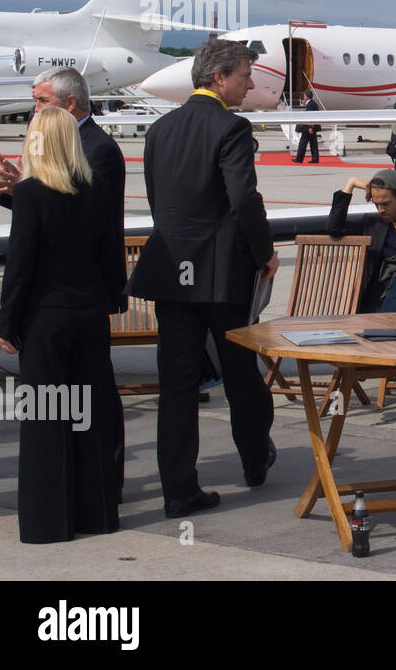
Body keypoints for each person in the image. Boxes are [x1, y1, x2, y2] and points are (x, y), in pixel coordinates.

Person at [127, 38, 280, 518]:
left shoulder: (161, 128)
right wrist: (265, 253)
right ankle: (254, 458)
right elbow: (243, 198)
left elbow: (159, 200)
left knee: (176, 384)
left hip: (172, 269)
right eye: (244, 75)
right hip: (219, 273)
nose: (250, 83)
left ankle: (178, 489)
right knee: (240, 374)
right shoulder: (231, 128)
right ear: (219, 78)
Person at [0, 67, 128, 499]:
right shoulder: (69, 148)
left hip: (68, 303)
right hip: (75, 302)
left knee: (82, 406)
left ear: (69, 105)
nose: (34, 111)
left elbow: (75, 227)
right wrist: (19, 191)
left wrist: (25, 193)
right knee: (76, 404)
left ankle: (89, 490)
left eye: (42, 101)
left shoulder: (98, 149)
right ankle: (89, 496)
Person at [327, 169, 396, 422]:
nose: (381, 210)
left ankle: (376, 337)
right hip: (395, 301)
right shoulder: (374, 224)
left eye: (386, 203)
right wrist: (349, 184)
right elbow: (333, 228)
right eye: (376, 204)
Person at [294, 88, 321, 164]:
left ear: (307, 96)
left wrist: (310, 127)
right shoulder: (311, 104)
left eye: (304, 95)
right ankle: (315, 159)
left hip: (308, 128)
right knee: (313, 143)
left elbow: (311, 117)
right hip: (310, 127)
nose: (303, 97)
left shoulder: (311, 105)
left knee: (303, 143)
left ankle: (299, 158)